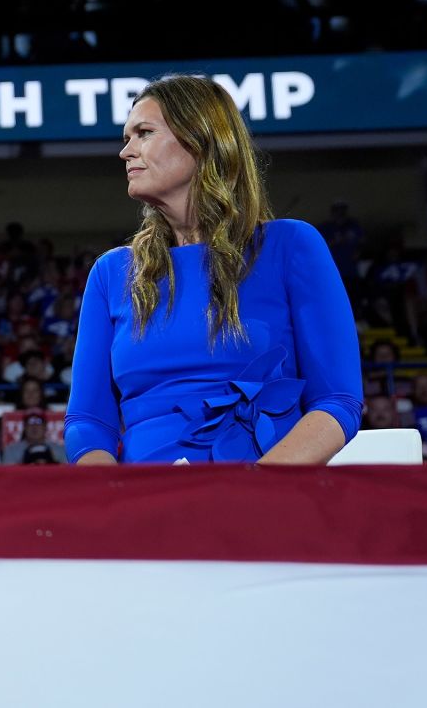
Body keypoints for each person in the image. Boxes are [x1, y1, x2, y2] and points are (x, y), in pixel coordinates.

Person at [65, 75, 363, 465]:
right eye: (127, 137)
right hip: (147, 505)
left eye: (144, 133)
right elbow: (87, 422)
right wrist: (116, 499)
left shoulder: (290, 246)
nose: (126, 151)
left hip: (266, 498)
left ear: (200, 140)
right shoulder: (111, 273)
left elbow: (337, 402)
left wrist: (249, 491)